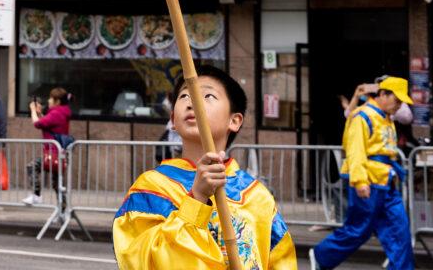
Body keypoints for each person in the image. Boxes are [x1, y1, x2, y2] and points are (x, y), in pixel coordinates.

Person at [113, 66, 296, 269]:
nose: (192, 102)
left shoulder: (257, 196)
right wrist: (197, 199)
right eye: (184, 96)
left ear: (234, 120)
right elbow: (139, 261)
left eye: (208, 95)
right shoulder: (151, 188)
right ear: (173, 119)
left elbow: (281, 261)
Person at [310, 76, 414, 270]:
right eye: (397, 100)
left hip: (386, 181)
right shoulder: (362, 116)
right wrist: (359, 181)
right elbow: (355, 150)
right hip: (369, 180)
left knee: (399, 230)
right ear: (383, 94)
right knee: (359, 230)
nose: (399, 106)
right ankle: (322, 256)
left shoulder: (385, 117)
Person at [23, 86, 72, 205]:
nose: (49, 101)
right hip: (58, 153)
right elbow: (46, 123)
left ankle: (36, 195)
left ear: (57, 101)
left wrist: (33, 111)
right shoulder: (61, 113)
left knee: (32, 166)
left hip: (53, 153)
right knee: (57, 184)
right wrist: (39, 113)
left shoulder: (57, 113)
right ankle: (63, 212)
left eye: (51, 98)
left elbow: (38, 124)